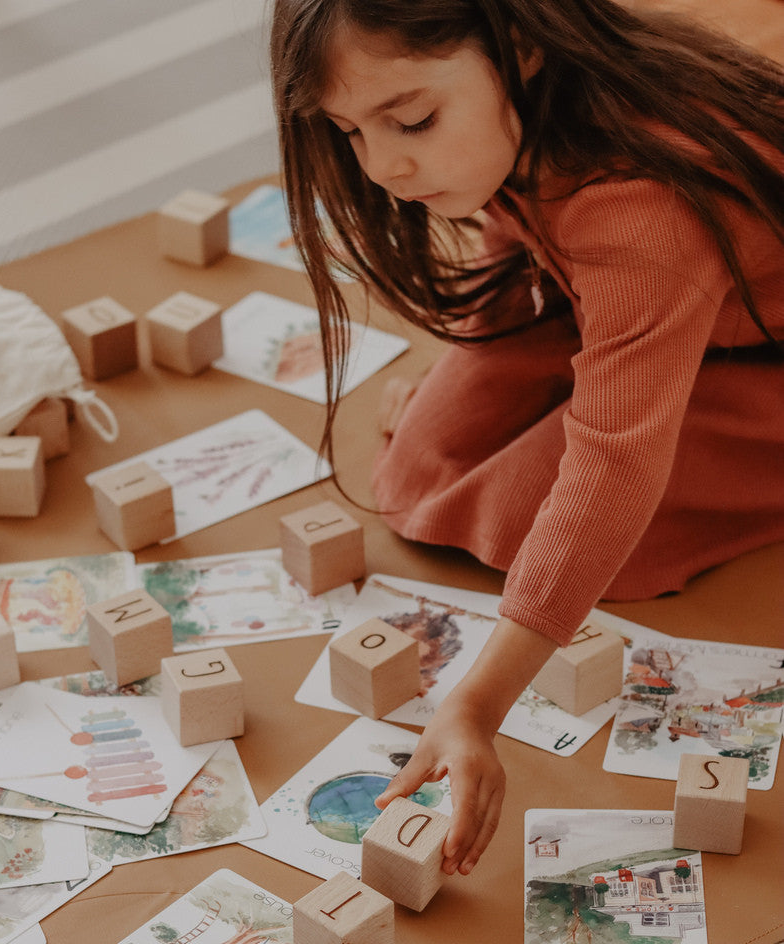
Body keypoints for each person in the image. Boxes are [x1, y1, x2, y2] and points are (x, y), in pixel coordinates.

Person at [269, 0, 784, 876]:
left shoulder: (642, 210)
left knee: (536, 527)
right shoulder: (539, 106)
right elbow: (518, 231)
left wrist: (476, 703)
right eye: (349, 132)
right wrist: (472, 363)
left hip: (757, 356)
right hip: (632, 298)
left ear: (520, 46)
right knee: (418, 467)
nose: (384, 165)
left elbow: (613, 461)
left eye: (413, 120)